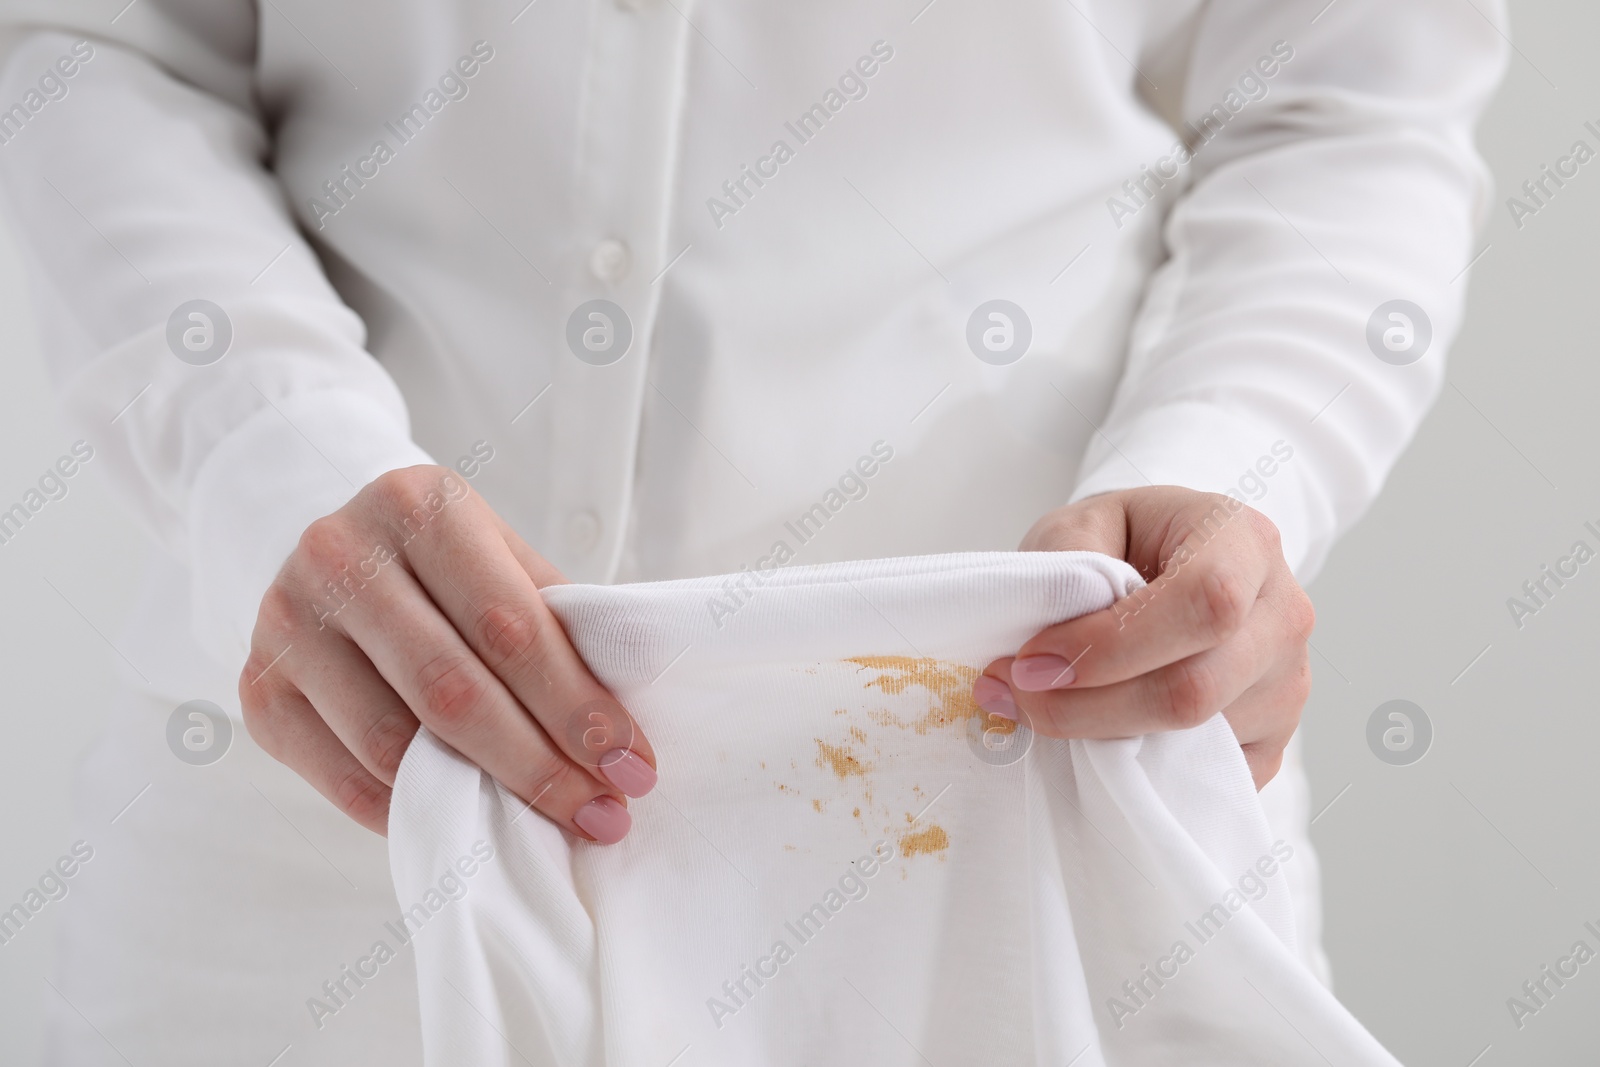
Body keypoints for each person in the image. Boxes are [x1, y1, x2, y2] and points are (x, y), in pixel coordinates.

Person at [0, 0, 1506, 1062]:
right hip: (322, 827)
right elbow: (96, 39)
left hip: (1034, 808)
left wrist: (1239, 462)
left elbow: (1351, 92)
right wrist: (267, 454)